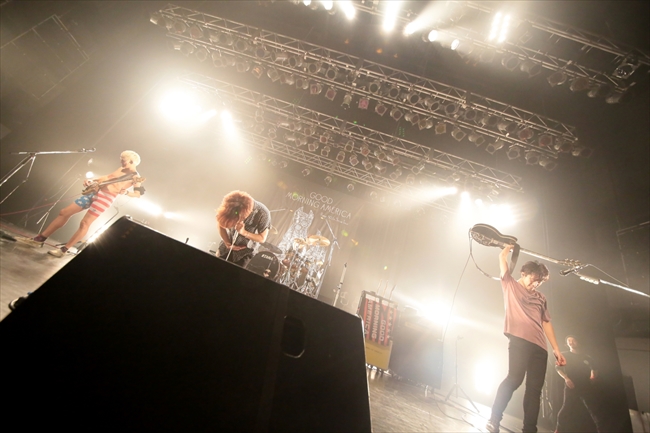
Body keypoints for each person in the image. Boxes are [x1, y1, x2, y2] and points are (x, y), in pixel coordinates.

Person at [486, 245, 566, 433]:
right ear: (523, 274)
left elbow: (546, 323)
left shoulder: (541, 297)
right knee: (514, 379)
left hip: (540, 347)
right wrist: (506, 250)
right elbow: (503, 261)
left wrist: (556, 349)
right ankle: (494, 419)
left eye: (539, 282)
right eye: (533, 279)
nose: (535, 284)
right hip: (519, 341)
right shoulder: (510, 285)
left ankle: (529, 430)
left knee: (534, 391)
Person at [16, 150, 144, 257]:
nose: (121, 162)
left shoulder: (135, 176)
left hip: (106, 198)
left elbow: (138, 193)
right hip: (95, 192)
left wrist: (126, 192)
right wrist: (92, 180)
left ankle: (63, 250)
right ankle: (39, 239)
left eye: (124, 160)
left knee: (84, 223)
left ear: (132, 161)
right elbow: (107, 177)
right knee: (64, 212)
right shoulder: (121, 169)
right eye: (121, 160)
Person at [555, 335, 607, 432]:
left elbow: (594, 368)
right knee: (566, 409)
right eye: (569, 341)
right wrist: (566, 378)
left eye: (573, 340)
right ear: (567, 344)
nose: (571, 342)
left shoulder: (587, 357)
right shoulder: (564, 355)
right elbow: (558, 368)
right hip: (571, 386)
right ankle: (558, 430)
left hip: (585, 386)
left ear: (578, 342)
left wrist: (593, 375)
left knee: (594, 410)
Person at [215, 190, 271, 268]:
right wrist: (227, 243)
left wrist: (244, 232)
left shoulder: (263, 213)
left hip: (244, 253)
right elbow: (221, 224)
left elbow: (262, 238)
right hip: (225, 247)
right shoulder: (231, 205)